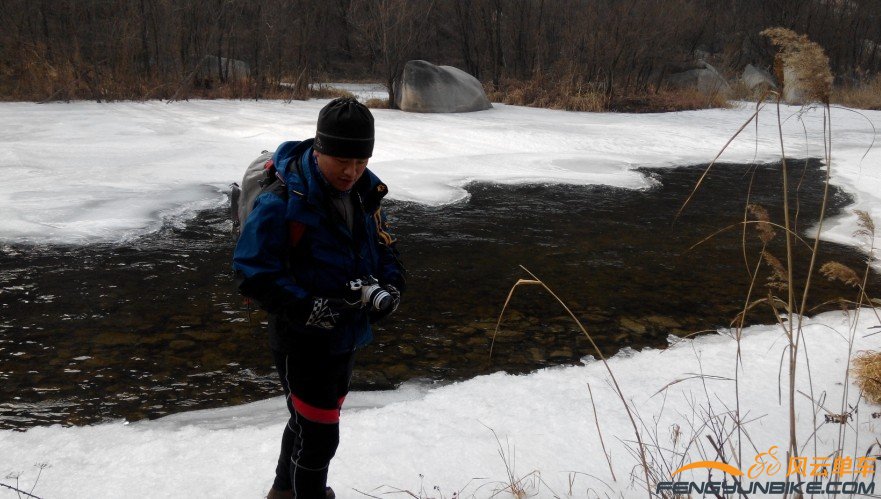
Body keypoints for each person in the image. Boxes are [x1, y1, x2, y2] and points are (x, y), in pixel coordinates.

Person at [233, 97, 405, 499]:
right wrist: (308, 308)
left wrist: (392, 286)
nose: (351, 171)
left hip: (346, 334)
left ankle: (281, 492)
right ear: (320, 148)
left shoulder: (365, 192)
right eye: (342, 160)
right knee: (321, 435)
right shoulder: (282, 200)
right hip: (300, 339)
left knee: (305, 422)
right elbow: (250, 271)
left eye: (361, 160)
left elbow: (384, 248)